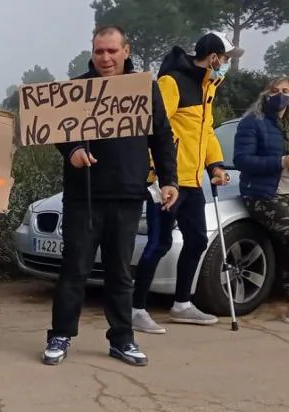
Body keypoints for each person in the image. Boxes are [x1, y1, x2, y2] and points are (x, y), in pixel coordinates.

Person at [43, 25, 179, 367]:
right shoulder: (77, 89)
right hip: (83, 196)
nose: (105, 58)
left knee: (120, 272)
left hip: (128, 195)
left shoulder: (143, 89)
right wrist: (72, 150)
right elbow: (59, 133)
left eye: (111, 51)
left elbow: (161, 136)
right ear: (92, 52)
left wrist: (169, 180)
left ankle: (122, 338)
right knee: (74, 269)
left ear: (126, 51)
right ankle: (60, 334)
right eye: (99, 51)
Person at [131, 32, 242, 334]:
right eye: (226, 58)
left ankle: (182, 304)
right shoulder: (173, 82)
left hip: (192, 181)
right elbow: (154, 128)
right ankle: (135, 309)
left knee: (197, 240)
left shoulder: (208, 87)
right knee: (159, 243)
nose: (226, 65)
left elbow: (204, 132)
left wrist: (215, 165)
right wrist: (157, 174)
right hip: (167, 181)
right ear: (214, 56)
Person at [232, 76, 289, 326]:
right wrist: (280, 161)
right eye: (275, 91)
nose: (280, 95)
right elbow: (241, 160)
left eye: (285, 91)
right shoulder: (252, 122)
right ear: (266, 94)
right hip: (262, 193)